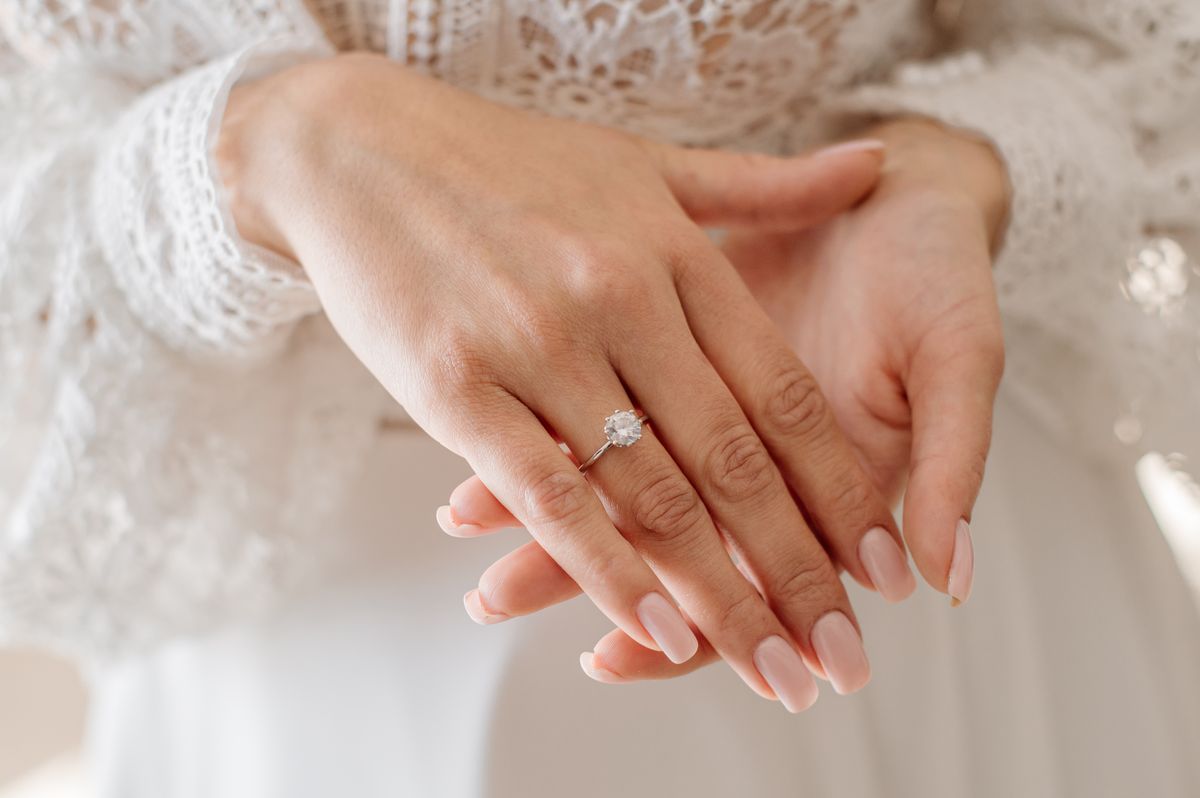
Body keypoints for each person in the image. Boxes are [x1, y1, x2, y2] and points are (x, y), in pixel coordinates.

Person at [2, 1, 1198, 796]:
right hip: (290, 610)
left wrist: (953, 165)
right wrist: (254, 150)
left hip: (873, 451)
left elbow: (1141, 37)